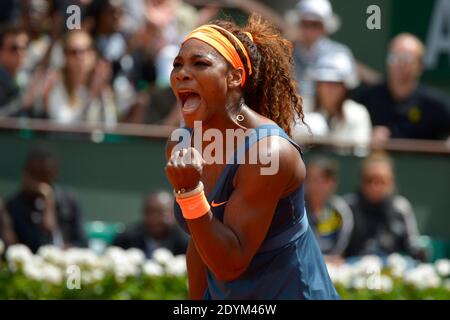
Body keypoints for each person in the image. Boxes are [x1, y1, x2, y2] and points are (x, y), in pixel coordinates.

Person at [165, 14, 338, 299]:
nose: (182, 73)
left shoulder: (269, 153)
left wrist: (189, 192)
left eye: (200, 63)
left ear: (234, 77)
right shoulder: (181, 142)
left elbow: (229, 264)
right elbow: (199, 244)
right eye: (177, 65)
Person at [353, 33, 450, 142]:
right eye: (393, 57)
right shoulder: (367, 97)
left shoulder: (436, 103)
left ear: (420, 65)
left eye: (406, 58)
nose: (399, 63)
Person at [6, 146, 88, 253]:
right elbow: (35, 247)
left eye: (46, 174)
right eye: (36, 174)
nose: (42, 180)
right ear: (27, 174)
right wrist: (48, 204)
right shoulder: (16, 206)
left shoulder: (69, 200)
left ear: (55, 173)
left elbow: (83, 242)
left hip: (69, 263)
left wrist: (69, 250)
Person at [343, 153, 421, 259]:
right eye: (369, 180)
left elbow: (413, 246)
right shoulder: (347, 207)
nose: (375, 186)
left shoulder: (401, 208)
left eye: (381, 181)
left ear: (391, 182)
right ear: (361, 181)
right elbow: (335, 250)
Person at [287, 0, 357, 112]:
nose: (309, 30)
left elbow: (348, 91)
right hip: (291, 113)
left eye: (315, 25)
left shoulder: (341, 54)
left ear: (325, 27)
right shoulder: (285, 53)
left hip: (330, 116)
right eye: (305, 24)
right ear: (298, 24)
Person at [294, 51, 371, 147]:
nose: (330, 89)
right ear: (317, 85)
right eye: (325, 82)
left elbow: (360, 151)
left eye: (336, 83)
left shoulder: (358, 114)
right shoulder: (300, 108)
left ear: (345, 87)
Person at [113, 190, 188, 258]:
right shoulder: (127, 239)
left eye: (160, 213)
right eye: (149, 212)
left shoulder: (185, 243)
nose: (154, 219)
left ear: (174, 214)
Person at [305, 157, 353, 260]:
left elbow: (340, 248)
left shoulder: (340, 210)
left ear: (333, 182)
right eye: (310, 179)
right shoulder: (297, 209)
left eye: (321, 180)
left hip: (332, 265)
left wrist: (331, 258)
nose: (315, 186)